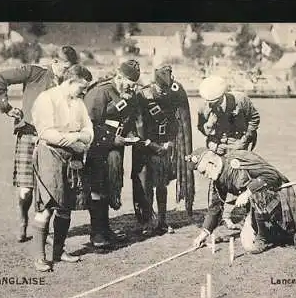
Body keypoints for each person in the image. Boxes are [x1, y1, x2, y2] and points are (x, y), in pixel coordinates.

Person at [0, 45, 79, 243]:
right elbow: (0, 77)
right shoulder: (34, 73)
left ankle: (43, 230)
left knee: (49, 187)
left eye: (71, 68)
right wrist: (5, 106)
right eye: (65, 67)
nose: (68, 72)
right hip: (29, 135)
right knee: (25, 191)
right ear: (55, 62)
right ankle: (23, 219)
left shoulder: (69, 84)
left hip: (53, 141)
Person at [186, 147, 296, 254]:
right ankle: (270, 232)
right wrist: (202, 235)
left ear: (211, 163)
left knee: (257, 195)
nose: (204, 175)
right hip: (256, 209)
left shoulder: (238, 160)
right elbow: (215, 208)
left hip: (277, 199)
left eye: (203, 172)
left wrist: (248, 192)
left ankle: (263, 237)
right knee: (248, 247)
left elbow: (272, 175)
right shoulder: (217, 180)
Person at [30, 64, 94, 272]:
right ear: (69, 81)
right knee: (47, 207)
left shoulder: (79, 103)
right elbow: (47, 133)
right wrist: (75, 138)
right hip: (50, 155)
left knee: (66, 206)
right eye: (81, 87)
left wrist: (76, 138)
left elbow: (89, 132)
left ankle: (58, 251)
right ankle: (40, 257)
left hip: (72, 157)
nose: (84, 92)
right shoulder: (46, 99)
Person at [83, 59, 143, 248]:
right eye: (129, 83)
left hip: (116, 149)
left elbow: (127, 118)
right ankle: (97, 234)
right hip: (98, 148)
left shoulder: (128, 94)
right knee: (97, 190)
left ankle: (105, 229)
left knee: (109, 189)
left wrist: (130, 134)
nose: (132, 88)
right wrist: (111, 140)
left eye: (134, 85)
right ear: (119, 76)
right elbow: (88, 124)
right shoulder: (100, 91)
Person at [132, 65, 194, 235]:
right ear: (155, 83)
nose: (164, 92)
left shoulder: (174, 92)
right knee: (145, 185)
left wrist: (171, 143)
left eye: (166, 88)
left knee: (161, 184)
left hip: (165, 145)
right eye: (161, 88)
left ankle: (162, 220)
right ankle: (147, 221)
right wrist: (153, 145)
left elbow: (179, 119)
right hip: (145, 146)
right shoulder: (143, 95)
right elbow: (138, 126)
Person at [197, 75, 261, 230]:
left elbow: (255, 118)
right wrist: (211, 138)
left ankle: (248, 219)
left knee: (241, 181)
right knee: (218, 181)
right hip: (219, 145)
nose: (210, 106)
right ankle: (217, 218)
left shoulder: (240, 100)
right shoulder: (204, 107)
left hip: (239, 143)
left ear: (222, 97)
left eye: (214, 102)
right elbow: (201, 127)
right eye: (208, 102)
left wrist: (244, 140)